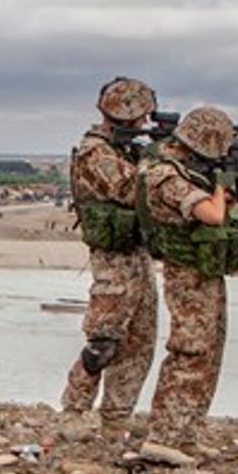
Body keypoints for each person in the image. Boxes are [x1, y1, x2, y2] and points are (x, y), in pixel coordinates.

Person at [136, 105, 238, 464]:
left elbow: (216, 212)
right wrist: (221, 185)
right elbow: (213, 216)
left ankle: (185, 433)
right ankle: (163, 436)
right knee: (190, 350)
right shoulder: (164, 174)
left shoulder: (180, 170)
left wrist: (223, 189)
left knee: (209, 352)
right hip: (186, 274)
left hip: (202, 271)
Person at [59, 77, 161, 432]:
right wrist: (160, 163)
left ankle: (117, 415)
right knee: (105, 339)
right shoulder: (96, 152)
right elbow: (132, 189)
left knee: (140, 340)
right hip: (113, 259)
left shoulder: (123, 150)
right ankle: (74, 410)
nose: (145, 123)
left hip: (136, 255)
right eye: (142, 116)